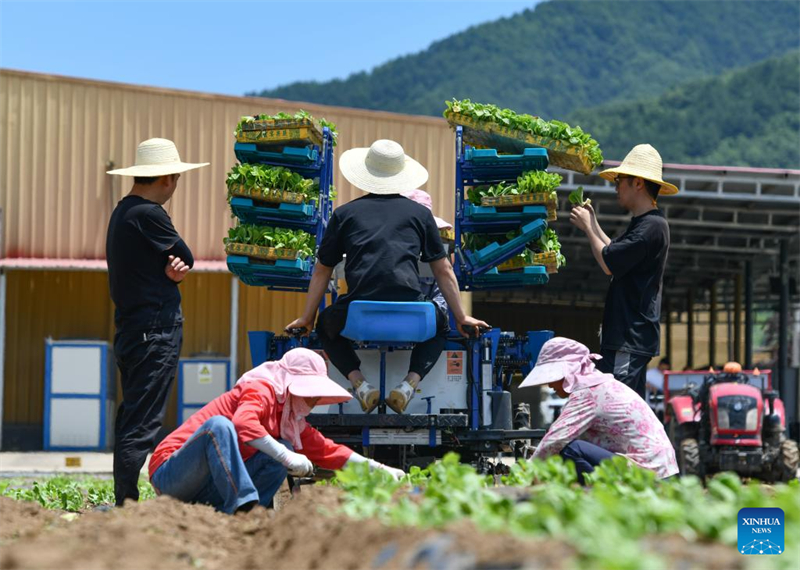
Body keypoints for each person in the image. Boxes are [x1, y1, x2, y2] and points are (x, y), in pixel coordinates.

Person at [286, 140, 488, 414]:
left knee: (325, 326)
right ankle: (408, 384)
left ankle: (360, 384)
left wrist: (307, 318)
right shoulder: (421, 215)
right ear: (401, 174)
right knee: (441, 326)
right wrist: (462, 317)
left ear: (366, 173)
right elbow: (443, 270)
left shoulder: (344, 214)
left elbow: (322, 269)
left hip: (358, 316)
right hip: (413, 316)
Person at [149, 348, 404, 514]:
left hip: (208, 489)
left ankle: (241, 515)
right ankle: (244, 507)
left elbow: (327, 450)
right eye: (311, 393)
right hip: (171, 475)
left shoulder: (289, 419)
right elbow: (243, 423)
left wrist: (379, 469)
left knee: (284, 448)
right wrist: (286, 456)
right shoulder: (259, 390)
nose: (314, 400)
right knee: (219, 426)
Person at [106, 138, 209, 506]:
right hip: (155, 330)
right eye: (176, 178)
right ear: (166, 178)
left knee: (132, 415)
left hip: (133, 329)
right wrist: (176, 268)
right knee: (143, 421)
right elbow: (186, 255)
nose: (175, 186)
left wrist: (170, 272)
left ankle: (124, 498)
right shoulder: (149, 214)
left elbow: (169, 264)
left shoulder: (123, 212)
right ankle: (127, 503)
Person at [569, 144, 678, 399]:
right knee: (623, 407)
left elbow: (609, 264)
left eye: (619, 181)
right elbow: (614, 252)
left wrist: (588, 228)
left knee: (616, 405)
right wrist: (593, 223)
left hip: (629, 337)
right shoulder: (645, 224)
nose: (616, 187)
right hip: (628, 338)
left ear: (637, 183)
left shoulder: (651, 227)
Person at [520, 337, 678, 483]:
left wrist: (526, 473)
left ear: (568, 373)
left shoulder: (588, 393)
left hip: (648, 471)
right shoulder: (600, 386)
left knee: (571, 450)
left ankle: (600, 497)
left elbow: (555, 439)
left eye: (552, 377)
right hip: (661, 468)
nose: (550, 385)